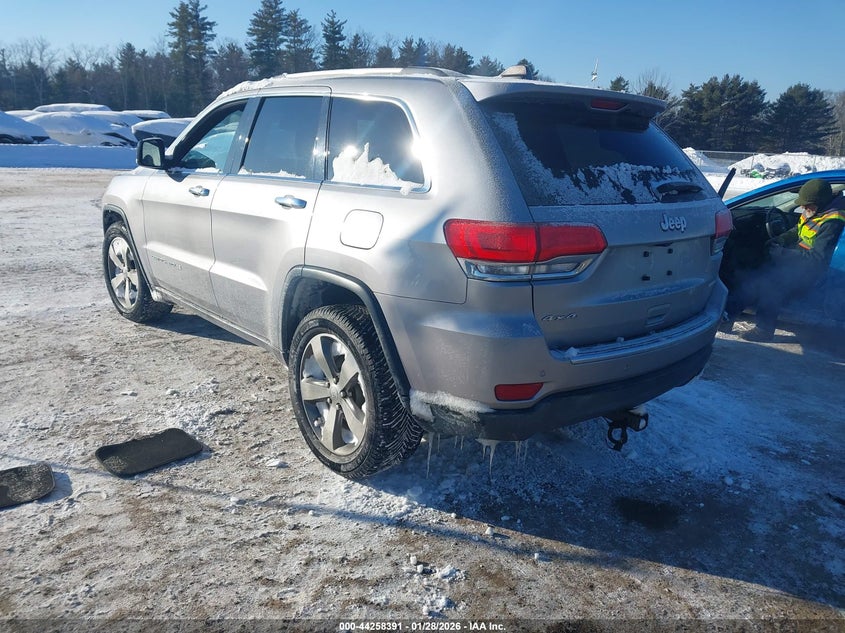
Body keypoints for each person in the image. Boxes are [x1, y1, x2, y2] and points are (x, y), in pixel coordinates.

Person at [723, 178, 845, 342]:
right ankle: (727, 317)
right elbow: (798, 229)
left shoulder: (832, 221)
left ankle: (763, 330)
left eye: (807, 205)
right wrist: (780, 240)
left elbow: (817, 259)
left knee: (771, 283)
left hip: (814, 272)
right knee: (754, 273)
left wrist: (782, 254)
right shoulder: (815, 210)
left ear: (820, 202)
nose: (803, 208)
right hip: (799, 259)